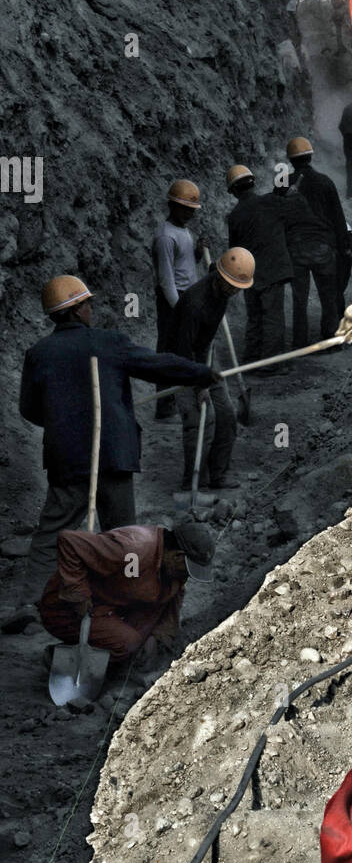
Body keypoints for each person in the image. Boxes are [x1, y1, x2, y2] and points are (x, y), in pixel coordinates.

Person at [20, 276, 218, 595]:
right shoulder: (109, 342)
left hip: (66, 459)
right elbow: (157, 366)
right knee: (122, 533)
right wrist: (201, 373)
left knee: (51, 534)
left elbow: (29, 410)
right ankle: (125, 595)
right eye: (86, 304)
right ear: (75, 310)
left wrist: (64, 424)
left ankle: (31, 603)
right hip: (113, 454)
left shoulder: (38, 353)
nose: (90, 309)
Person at [38, 519, 215, 663]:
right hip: (67, 610)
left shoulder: (172, 573)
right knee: (128, 644)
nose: (186, 577)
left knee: (144, 634)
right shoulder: (133, 548)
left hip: (111, 606)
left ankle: (116, 653)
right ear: (177, 556)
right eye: (187, 570)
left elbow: (172, 602)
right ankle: (63, 657)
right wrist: (78, 595)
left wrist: (158, 636)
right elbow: (69, 541)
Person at [164, 248, 254, 491]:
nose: (234, 291)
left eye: (238, 287)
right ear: (220, 279)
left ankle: (218, 476)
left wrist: (206, 374)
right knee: (200, 420)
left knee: (225, 415)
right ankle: (193, 482)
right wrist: (199, 386)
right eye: (231, 285)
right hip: (179, 361)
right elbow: (183, 349)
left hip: (203, 355)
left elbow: (203, 344)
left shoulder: (222, 290)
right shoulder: (196, 303)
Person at [282, 138, 352, 348]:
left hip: (295, 250)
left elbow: (277, 216)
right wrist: (344, 246)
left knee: (299, 300)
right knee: (329, 295)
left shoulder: (283, 183)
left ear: (290, 160)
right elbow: (338, 218)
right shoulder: (325, 181)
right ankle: (332, 338)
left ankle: (300, 343)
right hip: (323, 249)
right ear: (311, 156)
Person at [225, 164, 294, 368]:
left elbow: (234, 249)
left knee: (254, 317)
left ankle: (251, 359)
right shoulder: (271, 202)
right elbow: (293, 216)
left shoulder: (234, 216)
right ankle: (272, 364)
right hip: (272, 271)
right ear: (253, 183)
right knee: (272, 317)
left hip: (249, 274)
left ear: (234, 191)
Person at [151, 179, 203, 420]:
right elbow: (166, 278)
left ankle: (183, 399)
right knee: (168, 351)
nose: (190, 214)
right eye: (185, 209)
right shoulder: (165, 237)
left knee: (185, 348)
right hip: (173, 299)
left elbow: (185, 265)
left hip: (186, 296)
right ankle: (164, 406)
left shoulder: (183, 231)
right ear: (172, 205)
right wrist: (179, 307)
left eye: (192, 209)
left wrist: (197, 255)